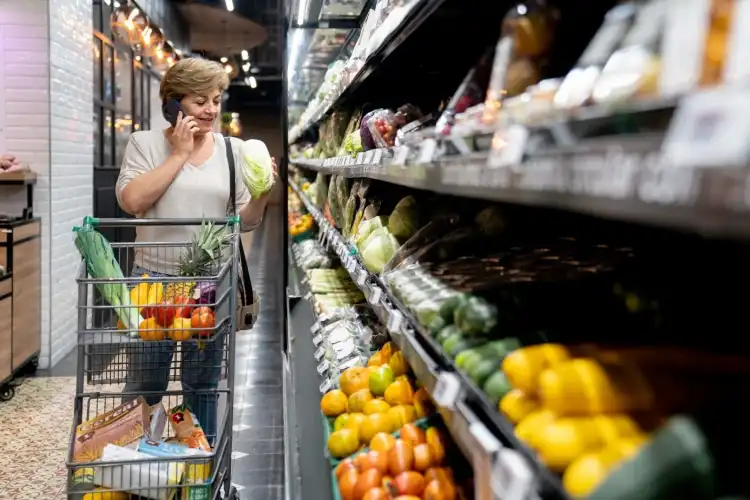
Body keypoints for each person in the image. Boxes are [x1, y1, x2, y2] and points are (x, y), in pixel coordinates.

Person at [115, 57, 276, 441]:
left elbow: (245, 220)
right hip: (152, 281)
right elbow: (132, 200)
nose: (211, 109)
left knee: (202, 383)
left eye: (216, 99)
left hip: (208, 285)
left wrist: (263, 193)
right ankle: (135, 465)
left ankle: (200, 463)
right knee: (145, 381)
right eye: (199, 100)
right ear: (173, 104)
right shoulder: (146, 143)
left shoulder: (232, 150)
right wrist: (180, 155)